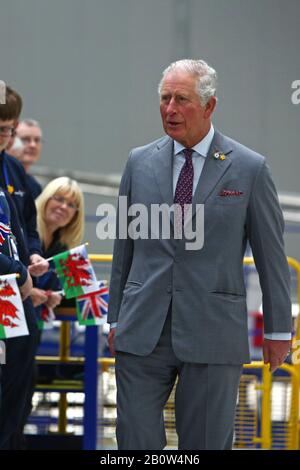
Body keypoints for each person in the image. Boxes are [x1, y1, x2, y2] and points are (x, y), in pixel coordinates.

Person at [107, 59, 292, 450]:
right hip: (142, 330)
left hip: (212, 332)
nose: (170, 109)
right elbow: (124, 246)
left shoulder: (249, 169)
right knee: (135, 440)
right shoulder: (138, 162)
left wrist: (278, 331)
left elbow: (272, 258)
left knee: (205, 443)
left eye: (182, 100)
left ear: (209, 107)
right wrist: (114, 318)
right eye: (164, 98)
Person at [0, 85, 47, 449]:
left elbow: (28, 225)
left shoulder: (13, 170)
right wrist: (18, 273)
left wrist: (31, 254)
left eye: (9, 130)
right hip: (11, 283)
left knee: (19, 383)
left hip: (15, 295)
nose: (5, 137)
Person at [33, 176, 84, 307]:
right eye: (59, 199)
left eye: (71, 205)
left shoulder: (63, 247)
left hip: (36, 322)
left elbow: (73, 296)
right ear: (46, 199)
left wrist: (53, 297)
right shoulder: (24, 233)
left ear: (75, 214)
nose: (63, 207)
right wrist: (28, 291)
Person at [15, 119, 43, 199]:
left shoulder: (35, 187)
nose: (33, 145)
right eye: (25, 139)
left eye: (37, 140)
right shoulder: (4, 177)